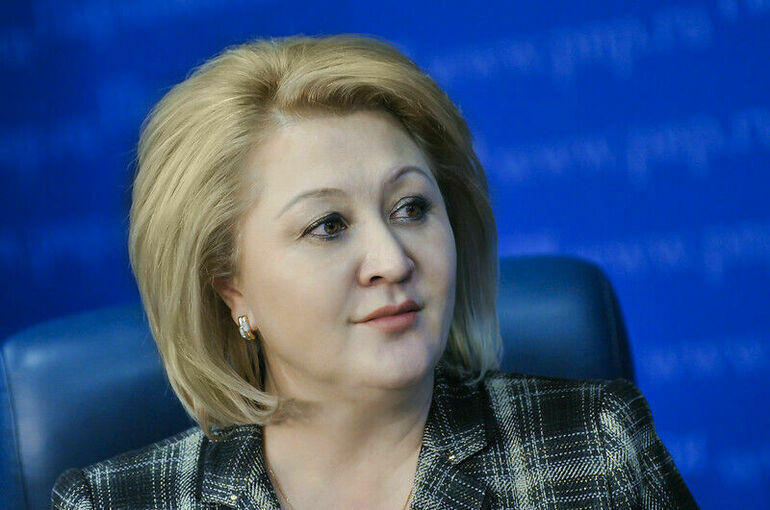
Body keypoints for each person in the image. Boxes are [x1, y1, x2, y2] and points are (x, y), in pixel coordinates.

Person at [51, 34, 698, 509]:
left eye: (411, 208)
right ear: (230, 286)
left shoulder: (596, 449)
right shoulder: (110, 505)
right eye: (329, 225)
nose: (393, 260)